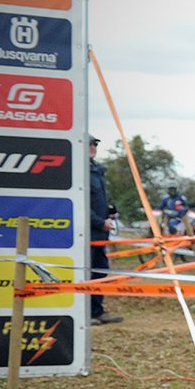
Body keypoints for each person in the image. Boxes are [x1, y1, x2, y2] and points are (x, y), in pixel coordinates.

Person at [86, 136, 122, 325]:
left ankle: (96, 310)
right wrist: (100, 222)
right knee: (87, 273)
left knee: (100, 271)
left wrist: (109, 211)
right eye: (90, 144)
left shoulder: (97, 170)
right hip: (87, 233)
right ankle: (86, 313)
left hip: (100, 233)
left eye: (95, 144)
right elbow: (81, 204)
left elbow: (96, 200)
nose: (93, 147)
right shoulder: (78, 170)